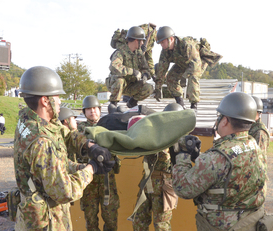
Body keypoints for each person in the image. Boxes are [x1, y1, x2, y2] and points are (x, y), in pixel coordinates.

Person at [13, 66, 114, 231]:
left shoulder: (28, 119)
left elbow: (64, 135)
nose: (60, 101)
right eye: (57, 97)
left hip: (34, 213)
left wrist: (89, 147)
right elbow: (65, 191)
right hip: (48, 221)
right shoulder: (41, 142)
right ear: (45, 101)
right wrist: (91, 169)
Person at [171, 92, 269, 230]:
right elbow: (225, 172)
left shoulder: (216, 157)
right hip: (249, 223)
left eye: (220, 116)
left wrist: (183, 155)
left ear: (225, 121)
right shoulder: (254, 145)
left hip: (222, 226)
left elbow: (183, 189)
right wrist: (198, 157)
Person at [131, 103, 182, 231]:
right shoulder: (156, 133)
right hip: (147, 182)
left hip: (164, 185)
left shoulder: (180, 139)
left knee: (161, 226)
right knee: (139, 222)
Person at [77, 95, 120, 231]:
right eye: (88, 109)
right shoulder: (80, 131)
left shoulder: (109, 126)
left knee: (111, 220)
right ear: (84, 112)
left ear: (100, 110)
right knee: (91, 222)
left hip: (107, 180)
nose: (92, 111)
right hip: (88, 180)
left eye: (95, 108)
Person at [154, 26, 222, 109]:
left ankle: (194, 106)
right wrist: (157, 88)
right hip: (182, 63)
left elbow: (195, 66)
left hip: (198, 61)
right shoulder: (165, 51)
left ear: (171, 39)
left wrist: (184, 77)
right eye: (160, 43)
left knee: (193, 77)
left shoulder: (186, 44)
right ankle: (180, 103)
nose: (162, 45)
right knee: (170, 78)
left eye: (163, 42)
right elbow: (162, 70)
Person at [107, 26, 153, 113]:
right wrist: (132, 71)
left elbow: (146, 69)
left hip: (131, 85)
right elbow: (114, 66)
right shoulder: (120, 52)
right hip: (117, 84)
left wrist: (145, 75)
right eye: (141, 40)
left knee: (149, 88)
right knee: (119, 81)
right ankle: (113, 105)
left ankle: (132, 102)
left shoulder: (139, 54)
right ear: (136, 41)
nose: (143, 43)